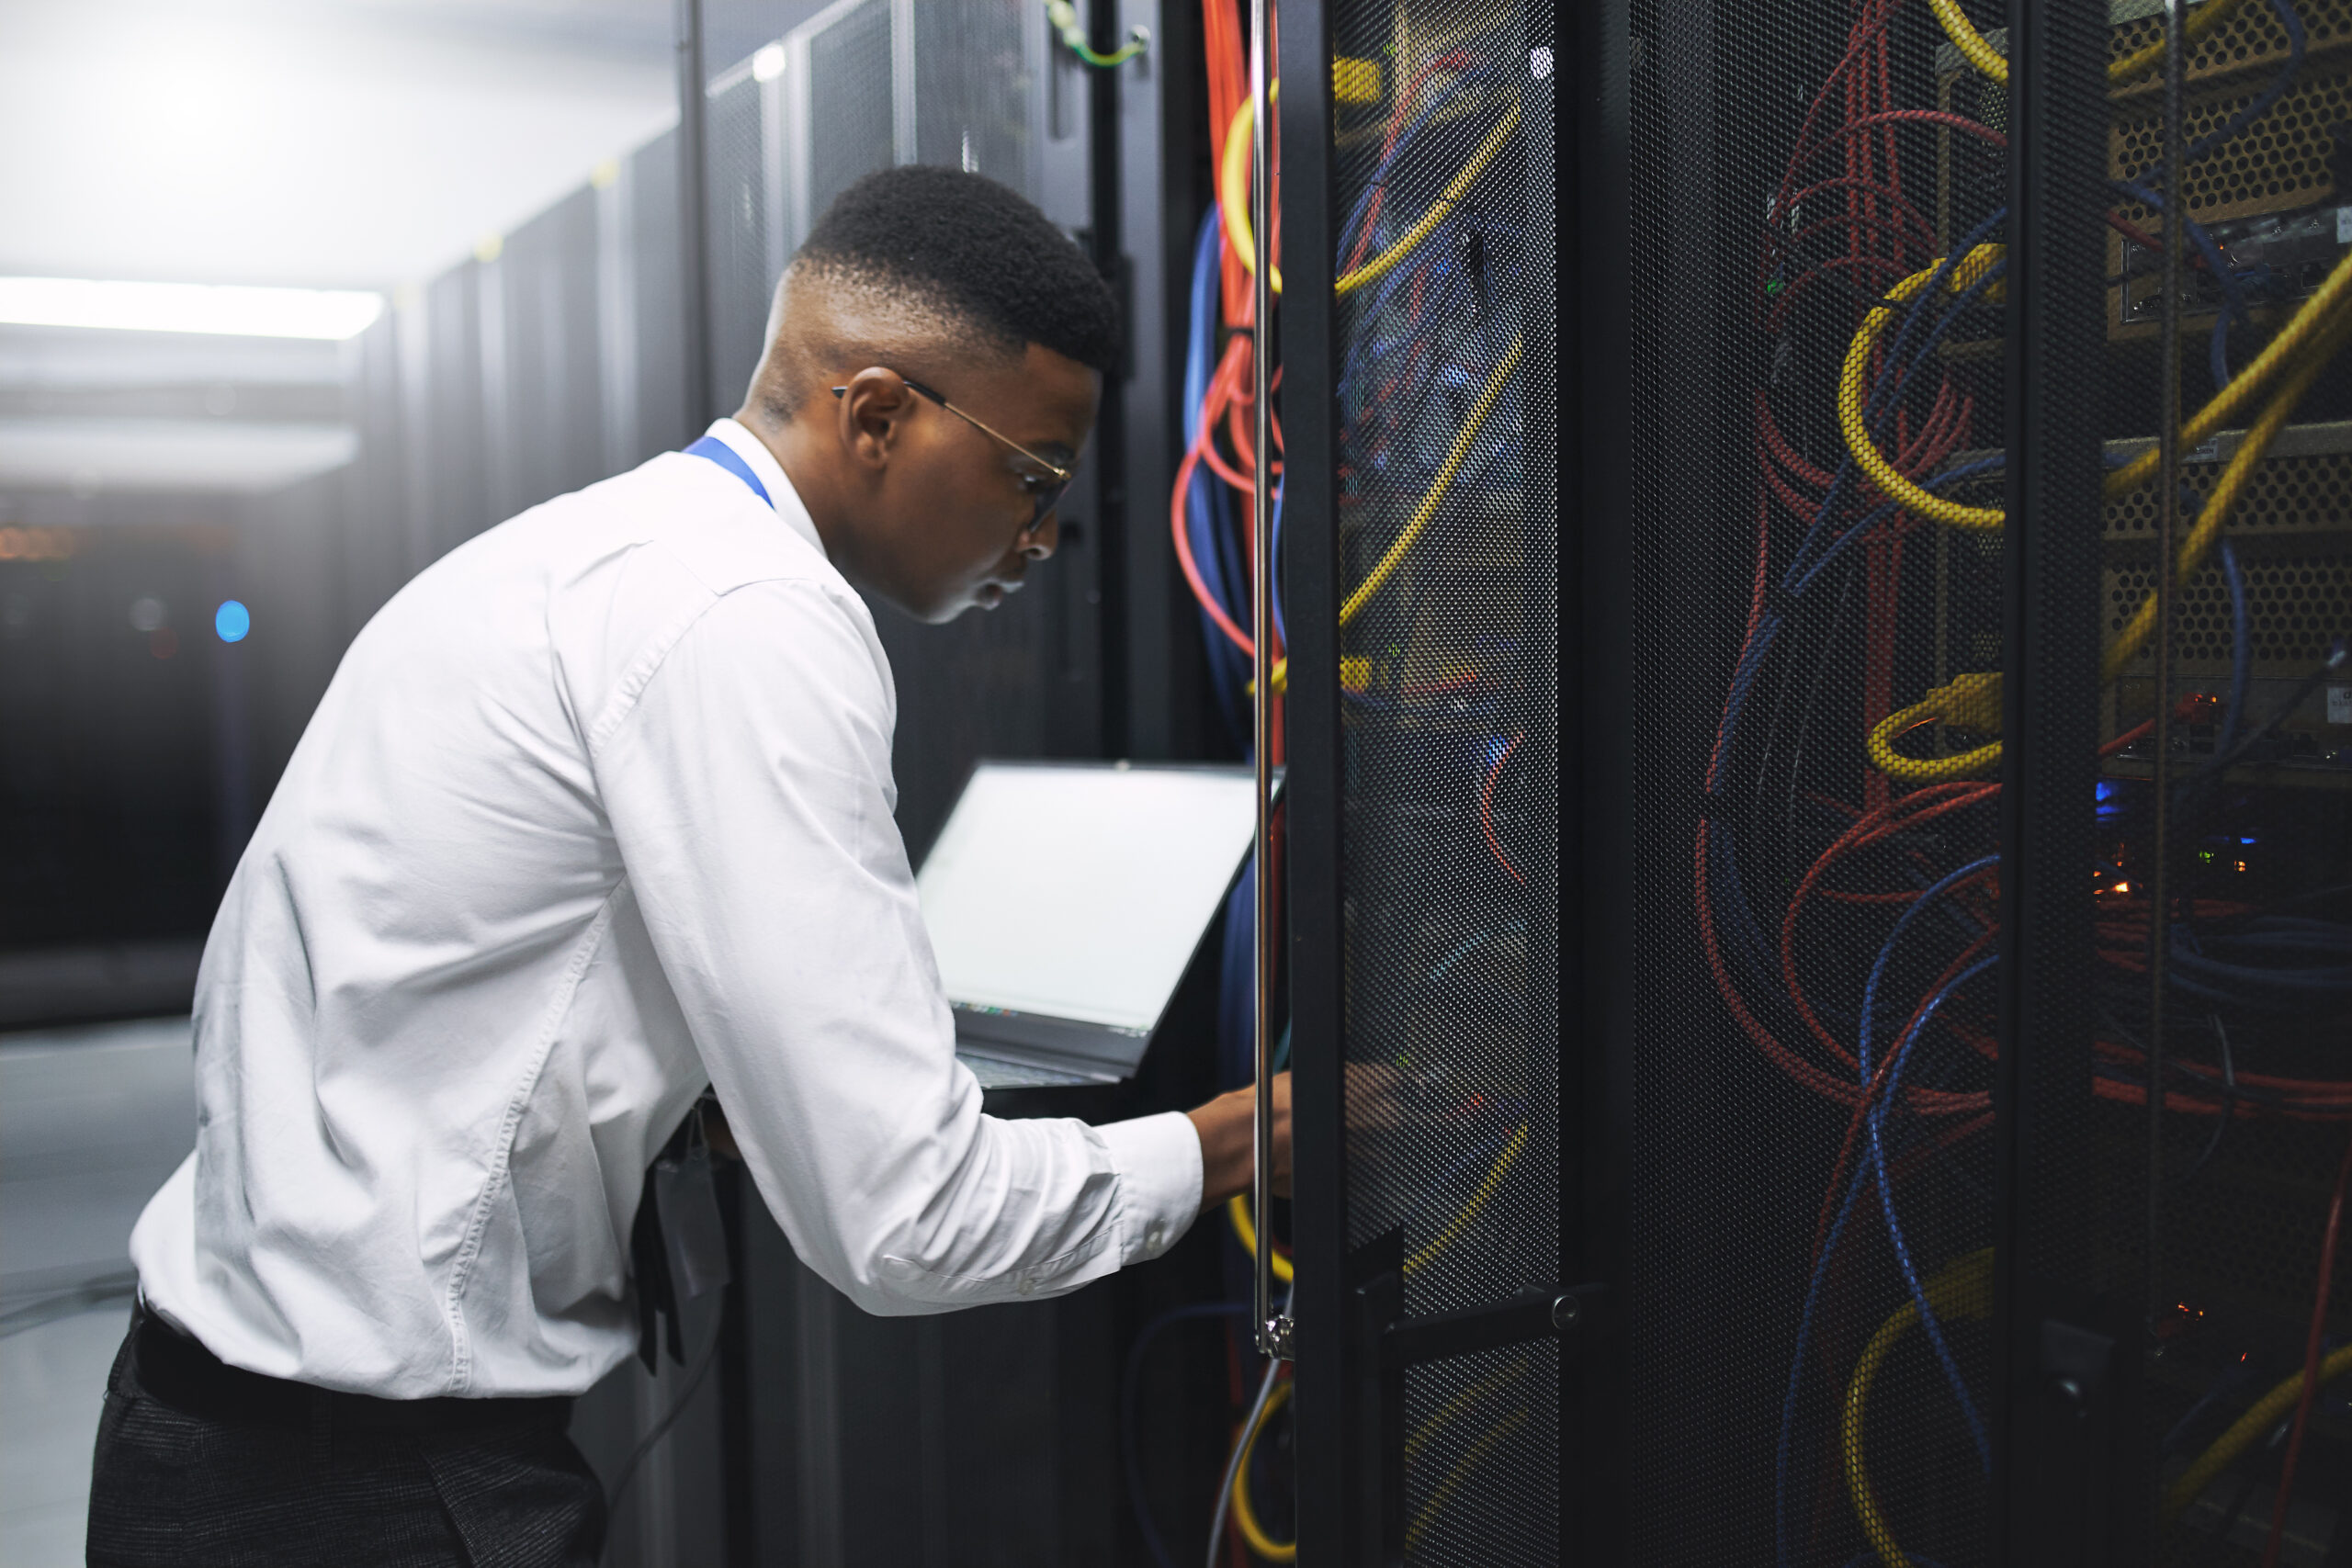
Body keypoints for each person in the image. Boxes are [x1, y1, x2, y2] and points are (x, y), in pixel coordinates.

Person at [88, 165, 1292, 1567]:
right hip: (360, 1495)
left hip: (209, 1426)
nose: (1039, 537)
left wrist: (678, 1089)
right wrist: (1249, 1140)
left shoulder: (591, 549)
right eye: (1032, 477)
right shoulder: (751, 615)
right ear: (877, 415)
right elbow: (909, 1221)